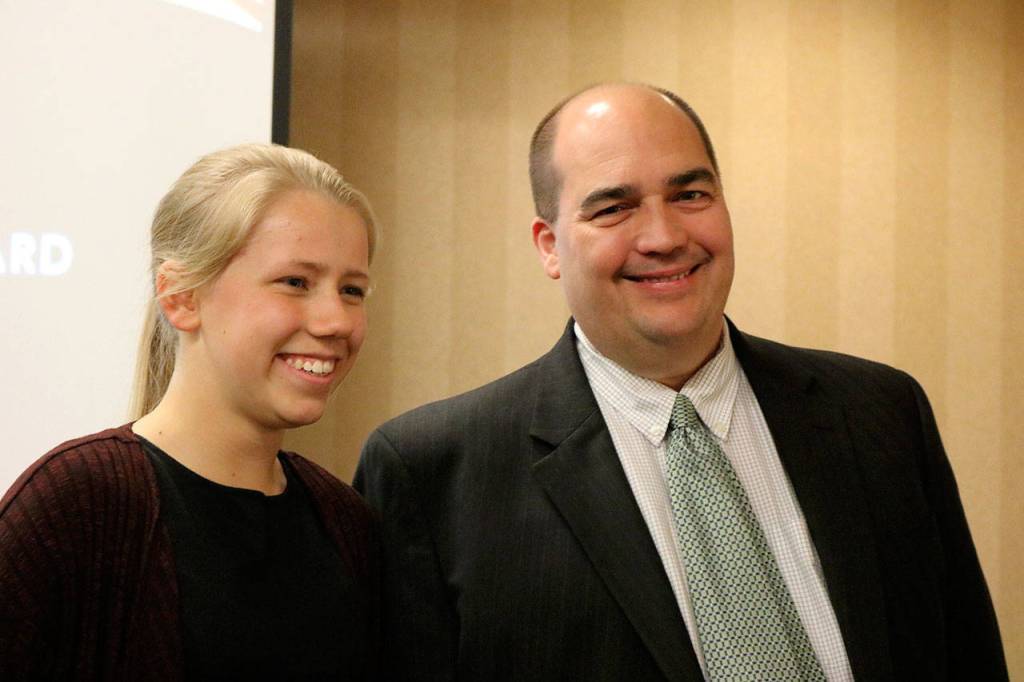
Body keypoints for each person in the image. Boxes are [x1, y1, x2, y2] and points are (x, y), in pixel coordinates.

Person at [355, 83, 1007, 680]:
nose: (664, 236)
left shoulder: (881, 415)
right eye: (614, 207)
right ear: (549, 245)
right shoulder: (433, 471)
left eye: (690, 195)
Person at [0, 143, 380, 680]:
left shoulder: (345, 522)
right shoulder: (76, 504)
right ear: (180, 296)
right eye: (295, 282)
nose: (335, 321)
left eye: (352, 290)